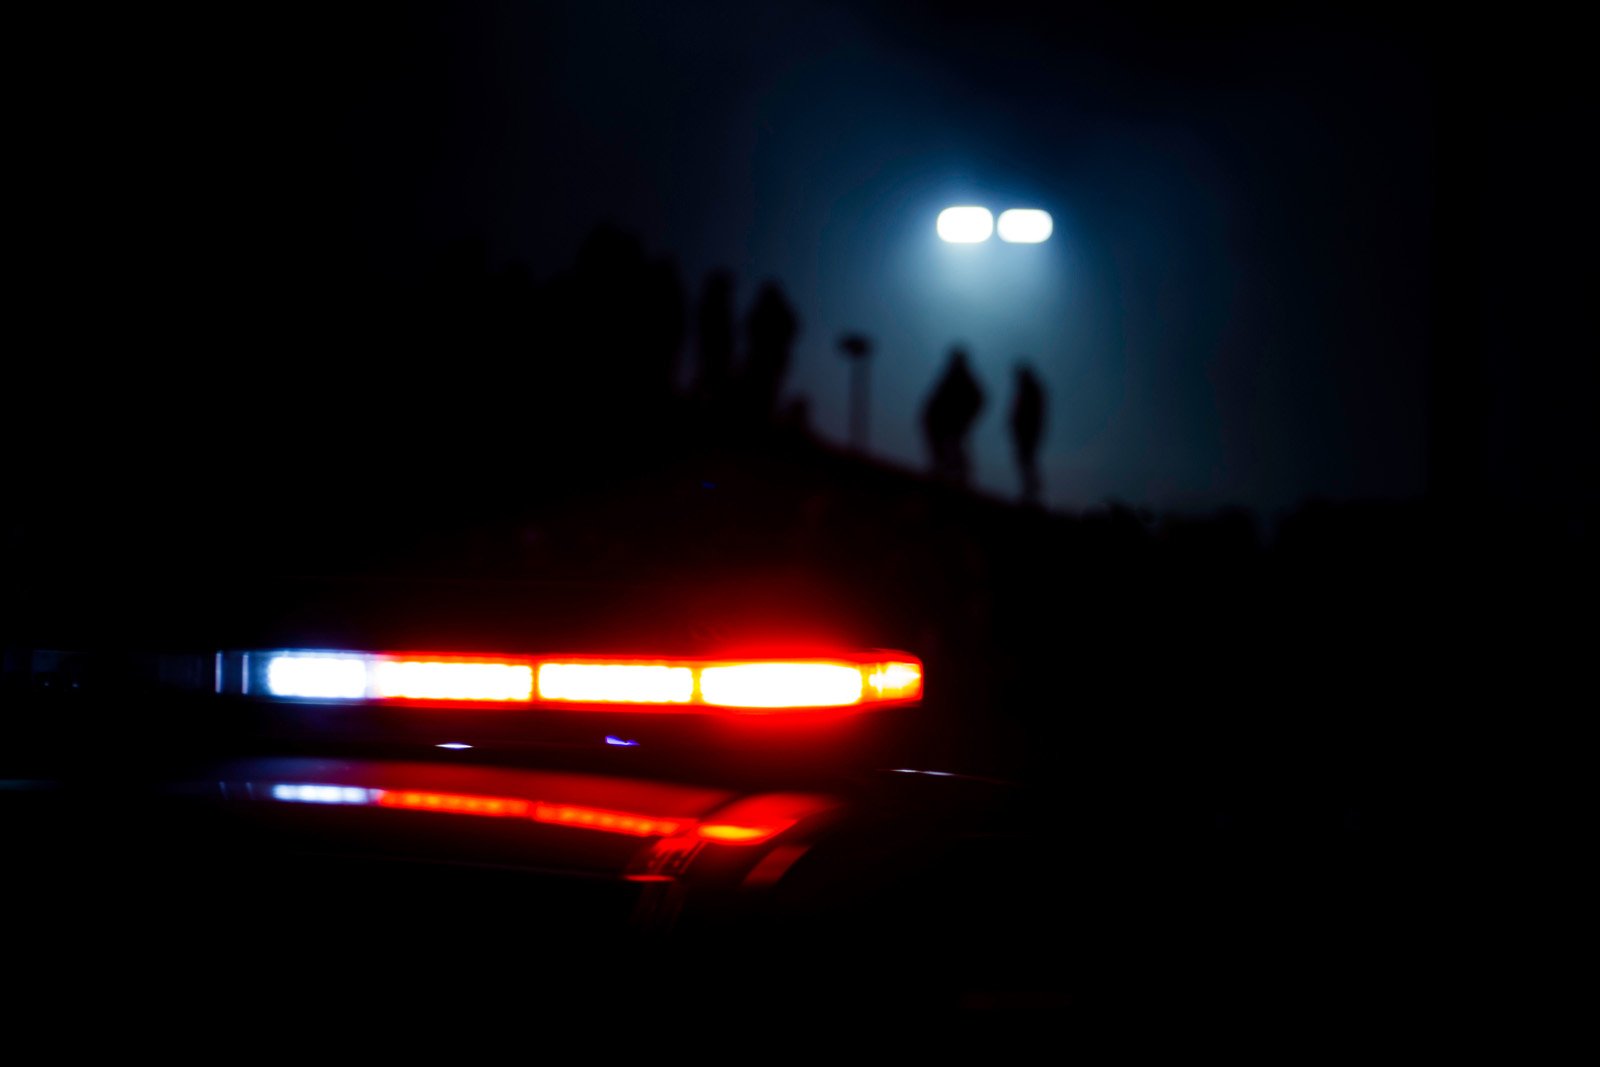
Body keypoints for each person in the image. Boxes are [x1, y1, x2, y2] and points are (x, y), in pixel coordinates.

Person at [921, 346, 985, 485]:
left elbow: (979, 399)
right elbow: (937, 396)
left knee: (954, 448)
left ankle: (959, 475)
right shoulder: (951, 375)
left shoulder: (964, 377)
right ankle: (943, 471)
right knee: (943, 449)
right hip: (940, 420)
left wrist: (966, 419)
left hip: (952, 422)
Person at [1009, 362, 1046, 504]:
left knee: (1026, 461)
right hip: (1024, 433)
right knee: (1024, 461)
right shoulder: (1026, 390)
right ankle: (1030, 490)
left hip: (1028, 433)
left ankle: (1031, 491)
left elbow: (1034, 413)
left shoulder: (1032, 390)